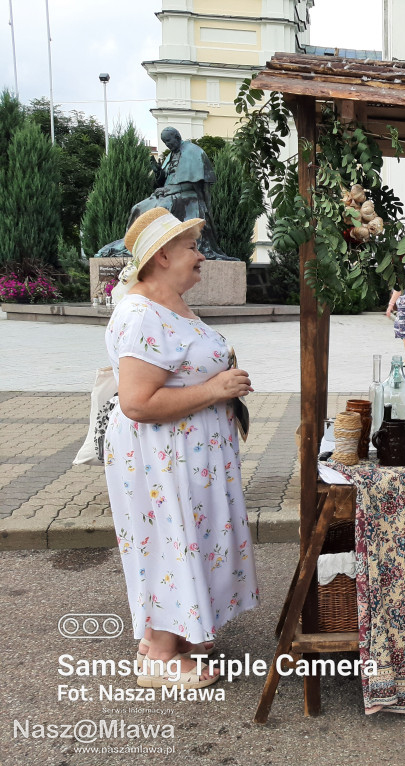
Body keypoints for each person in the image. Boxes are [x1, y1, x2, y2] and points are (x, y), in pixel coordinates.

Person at [102, 208, 258, 690]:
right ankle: (162, 658)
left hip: (186, 455)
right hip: (162, 458)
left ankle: (166, 634)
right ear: (163, 256)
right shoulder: (142, 313)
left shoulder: (166, 304)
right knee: (171, 540)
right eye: (192, 247)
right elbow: (137, 402)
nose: (201, 256)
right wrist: (216, 391)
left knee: (184, 538)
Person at [128, 127, 233, 260]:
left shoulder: (193, 152)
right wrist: (158, 172)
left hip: (186, 195)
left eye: (168, 141)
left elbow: (193, 182)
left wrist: (170, 190)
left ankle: (162, 247)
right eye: (165, 142)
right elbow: (164, 180)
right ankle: (139, 247)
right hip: (167, 193)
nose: (167, 145)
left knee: (162, 209)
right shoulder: (171, 155)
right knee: (137, 208)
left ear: (177, 137)